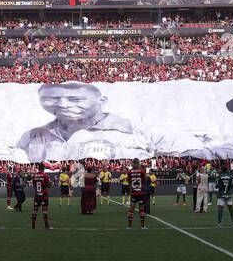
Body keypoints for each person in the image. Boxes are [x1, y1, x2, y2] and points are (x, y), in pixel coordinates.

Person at [16, 82, 161, 162]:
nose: (63, 105)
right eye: (51, 99)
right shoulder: (31, 136)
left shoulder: (130, 131)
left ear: (102, 101)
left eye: (75, 99)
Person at [126, 163, 152, 230]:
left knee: (131, 210)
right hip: (141, 192)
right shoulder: (142, 171)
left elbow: (128, 181)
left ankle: (129, 226)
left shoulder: (129, 171)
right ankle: (142, 226)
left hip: (134, 192)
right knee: (142, 210)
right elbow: (143, 180)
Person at [30, 163, 52, 230]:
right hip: (44, 195)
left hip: (37, 195)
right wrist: (50, 184)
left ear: (38, 168)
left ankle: (33, 225)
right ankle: (46, 226)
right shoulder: (45, 176)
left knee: (35, 210)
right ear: (44, 168)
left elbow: (34, 185)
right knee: (44, 210)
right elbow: (49, 185)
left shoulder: (34, 176)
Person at [215, 161, 233, 228]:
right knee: (231, 209)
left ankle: (219, 224)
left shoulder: (219, 176)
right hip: (228, 194)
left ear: (221, 170)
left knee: (220, 210)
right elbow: (231, 186)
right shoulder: (230, 176)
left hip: (221, 194)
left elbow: (216, 186)